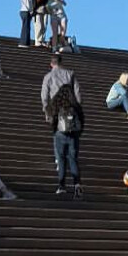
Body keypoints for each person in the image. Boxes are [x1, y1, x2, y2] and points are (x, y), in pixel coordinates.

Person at [39, 52, 84, 198]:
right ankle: (77, 184)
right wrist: (77, 112)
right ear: (61, 62)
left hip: (58, 117)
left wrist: (48, 113)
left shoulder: (48, 77)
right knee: (73, 157)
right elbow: (78, 95)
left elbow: (44, 96)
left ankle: (62, 186)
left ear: (51, 64)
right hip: (72, 119)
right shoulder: (70, 74)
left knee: (61, 156)